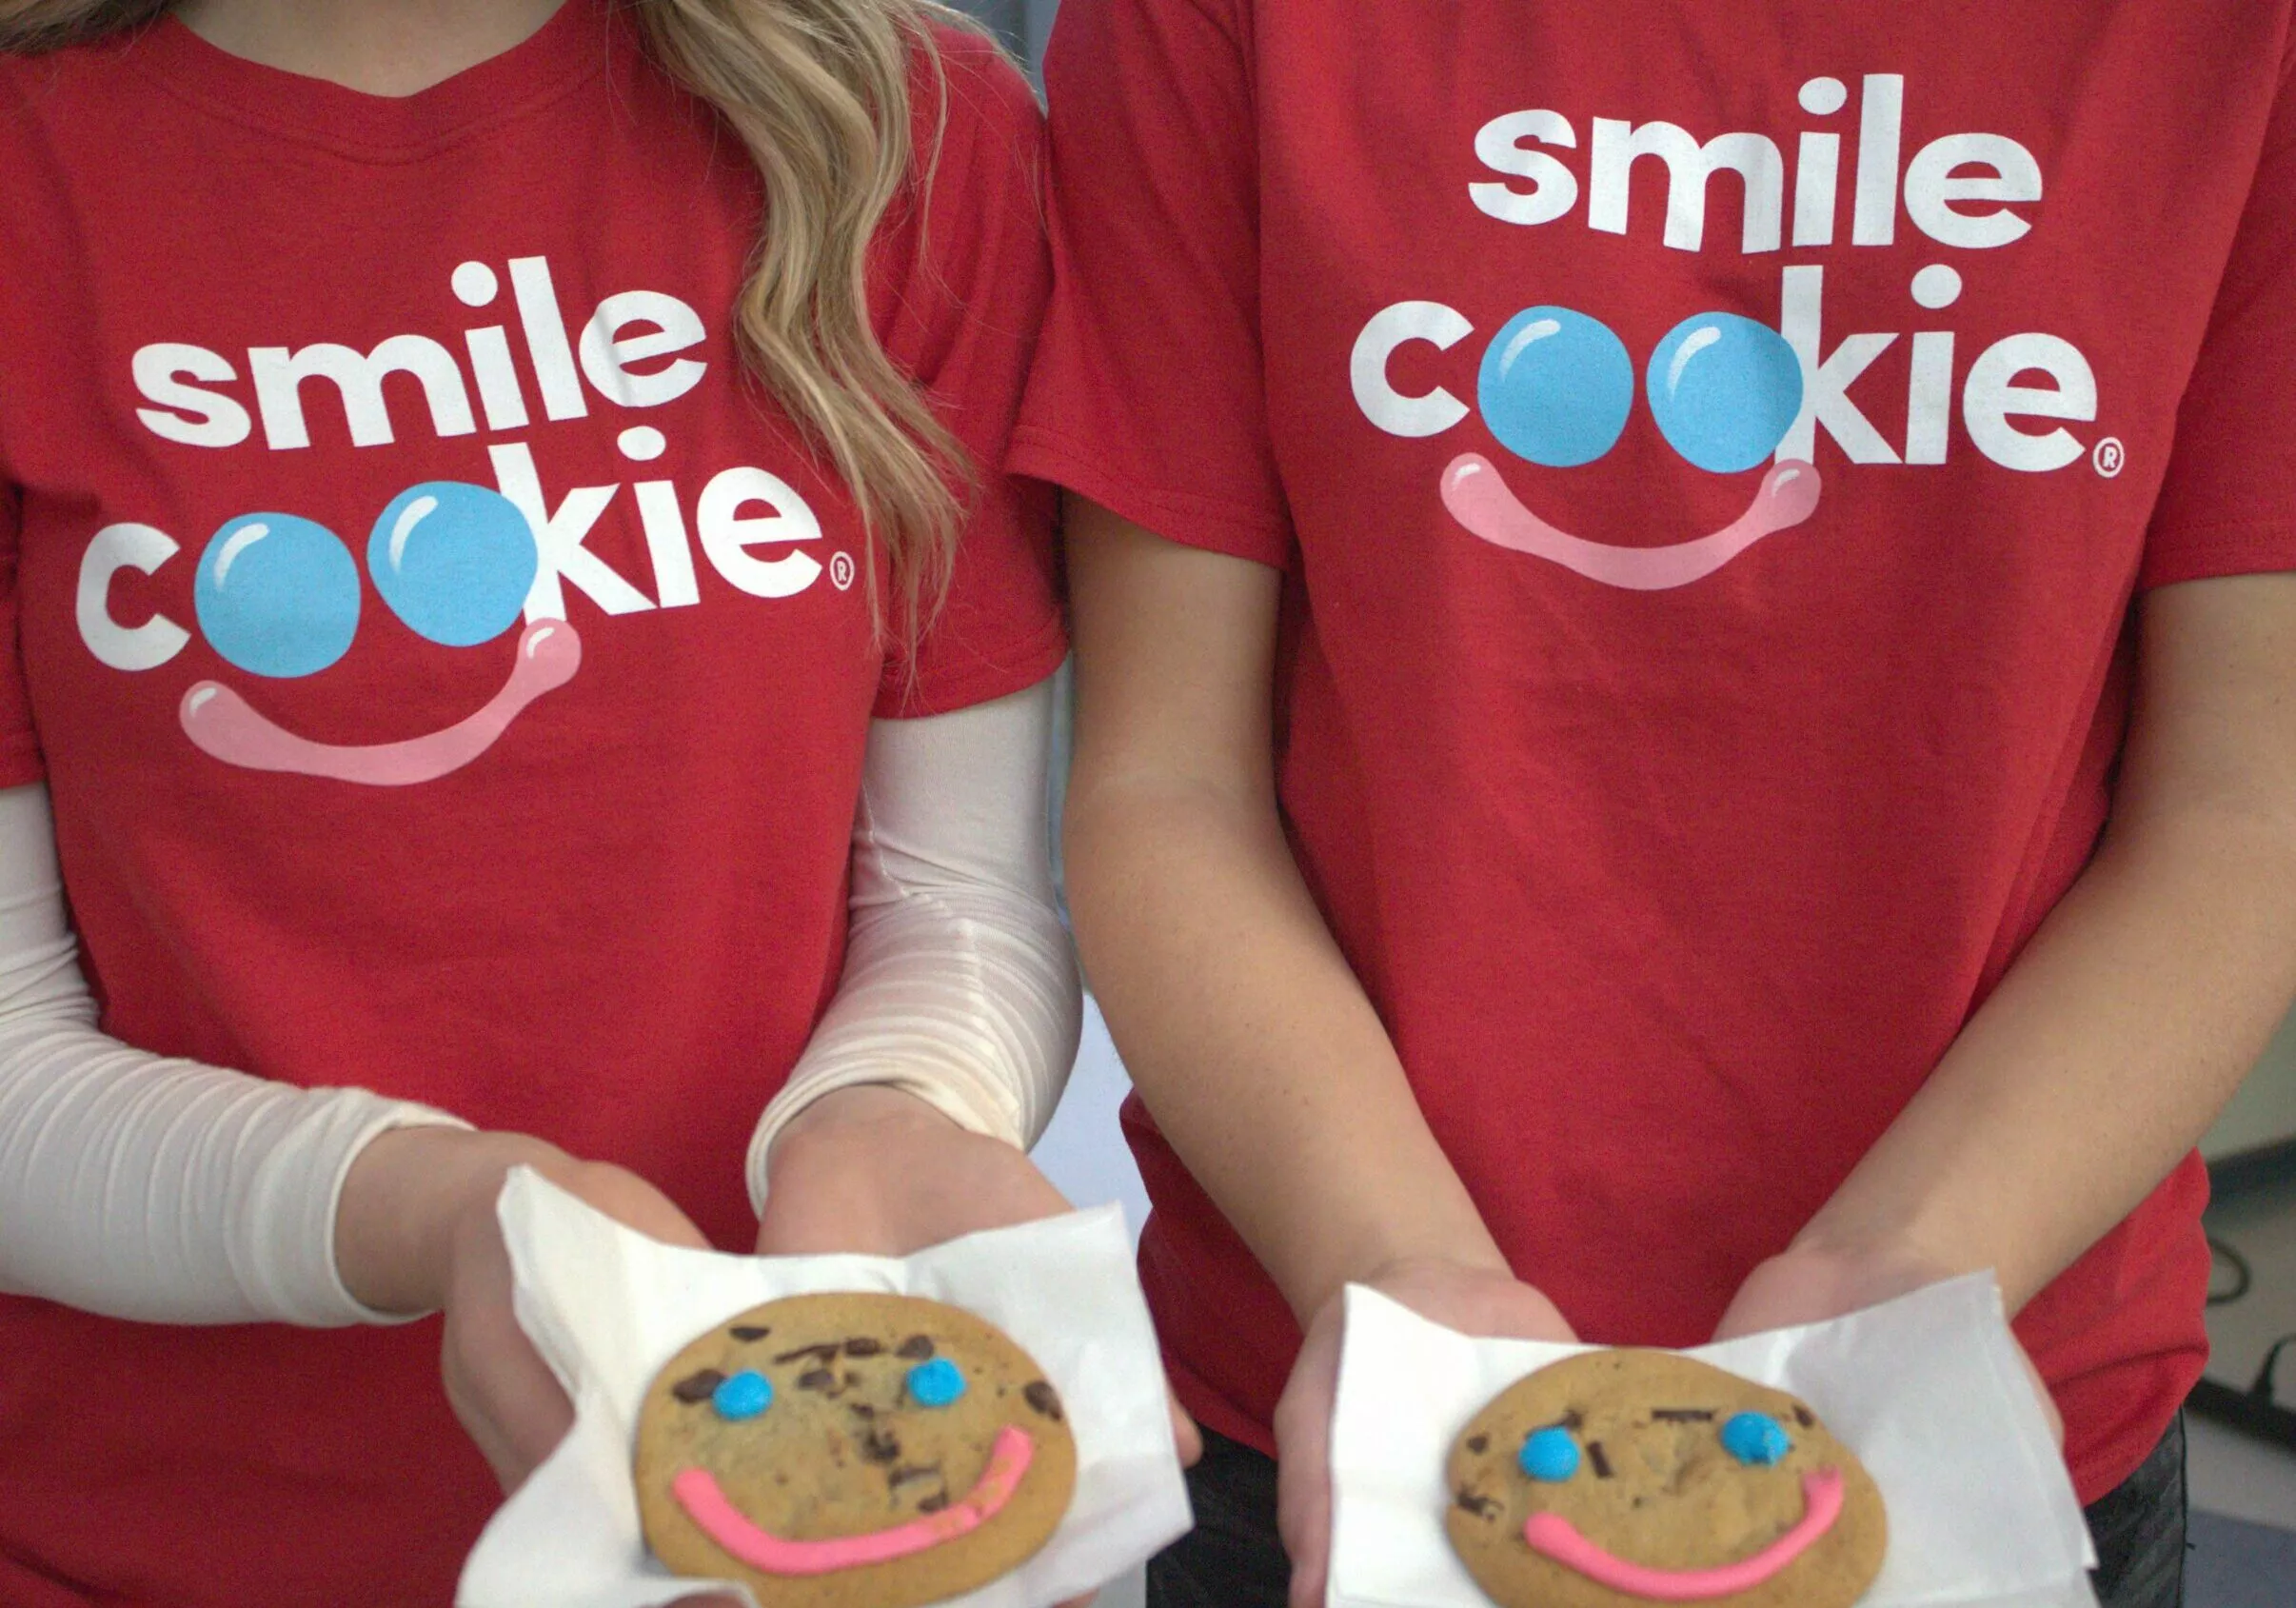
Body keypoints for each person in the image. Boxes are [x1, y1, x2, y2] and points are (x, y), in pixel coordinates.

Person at [1015, 3, 2296, 1606]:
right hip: (1350, 1384)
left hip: (1979, 1383)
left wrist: (1894, 1286)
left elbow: (2244, 814)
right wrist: (1401, 1277)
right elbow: (1163, 784)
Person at [0, 1, 1127, 1602]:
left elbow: (959, 903)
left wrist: (891, 1113)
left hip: (779, 1520)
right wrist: (439, 1215)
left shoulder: (895, 120)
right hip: (147, 1540)